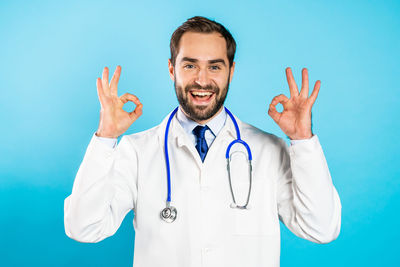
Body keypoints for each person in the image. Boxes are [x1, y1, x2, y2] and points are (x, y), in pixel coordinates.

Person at [64, 16, 341, 267]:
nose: (202, 80)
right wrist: (105, 138)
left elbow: (320, 228)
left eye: (215, 67)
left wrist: (302, 140)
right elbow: (83, 228)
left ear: (231, 71)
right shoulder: (137, 151)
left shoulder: (268, 150)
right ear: (172, 69)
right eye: (190, 65)